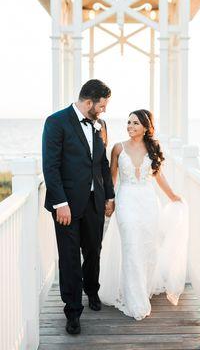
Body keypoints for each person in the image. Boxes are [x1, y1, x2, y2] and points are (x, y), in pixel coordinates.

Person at [99, 109, 189, 320]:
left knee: (148, 248)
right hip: (126, 201)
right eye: (128, 122)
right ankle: (135, 300)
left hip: (149, 203)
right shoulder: (118, 148)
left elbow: (158, 176)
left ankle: (143, 287)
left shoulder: (153, 148)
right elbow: (112, 178)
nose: (130, 126)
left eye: (135, 123)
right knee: (131, 246)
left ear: (146, 127)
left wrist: (173, 195)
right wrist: (109, 201)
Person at [42, 79, 115, 334]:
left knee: (94, 250)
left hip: (95, 203)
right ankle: (72, 312)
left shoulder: (101, 125)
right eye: (102, 106)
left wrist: (109, 196)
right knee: (70, 258)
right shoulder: (56, 122)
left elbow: (102, 163)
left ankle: (92, 291)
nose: (104, 111)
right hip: (67, 207)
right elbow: (50, 166)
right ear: (88, 102)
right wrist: (60, 203)